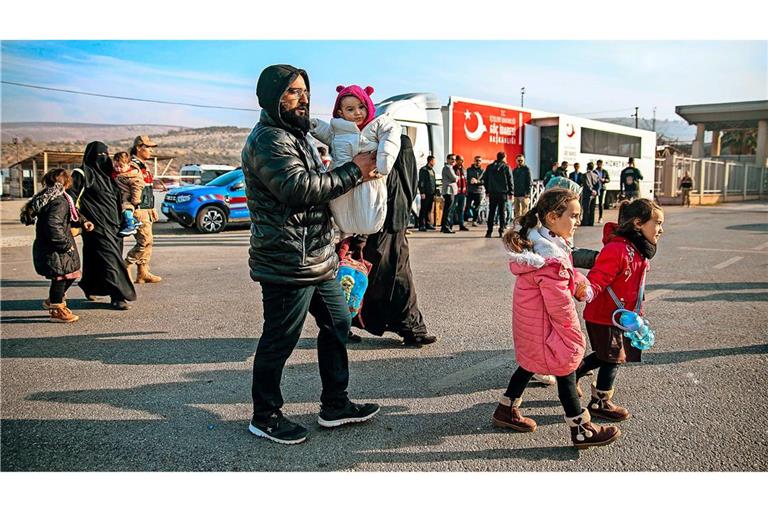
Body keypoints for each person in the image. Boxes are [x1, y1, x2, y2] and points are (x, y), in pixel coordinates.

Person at [242, 64, 380, 445]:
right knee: (279, 340)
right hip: (287, 260)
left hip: (318, 256)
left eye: (304, 91)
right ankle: (265, 415)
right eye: (291, 92)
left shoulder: (296, 134)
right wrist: (355, 171)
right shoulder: (269, 139)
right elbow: (299, 189)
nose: (302, 99)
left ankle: (335, 404)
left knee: (338, 325)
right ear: (272, 98)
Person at [492, 188, 620, 449]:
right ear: (552, 217)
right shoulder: (550, 259)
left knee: (529, 364)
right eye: (573, 216)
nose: (577, 222)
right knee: (566, 370)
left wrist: (579, 283)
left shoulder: (543, 246)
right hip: (547, 327)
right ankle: (581, 429)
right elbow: (560, 308)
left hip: (533, 324)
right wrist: (574, 338)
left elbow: (567, 275)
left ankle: (506, 409)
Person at [575, 199, 664, 421]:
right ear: (637, 223)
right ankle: (600, 402)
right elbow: (598, 278)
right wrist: (589, 291)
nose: (661, 229)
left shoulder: (638, 249)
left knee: (607, 355)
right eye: (657, 223)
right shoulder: (618, 249)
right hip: (604, 315)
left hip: (620, 316)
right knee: (612, 358)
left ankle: (572, 374)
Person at [350, 135, 438, 347]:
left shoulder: (398, 175)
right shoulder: (379, 173)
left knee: (401, 283)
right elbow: (369, 203)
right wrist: (360, 236)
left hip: (396, 234)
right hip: (375, 236)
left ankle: (413, 329)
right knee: (364, 284)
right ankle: (340, 324)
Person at [310, 84, 401, 238]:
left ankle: (358, 240)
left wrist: (384, 159)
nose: (357, 113)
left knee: (370, 206)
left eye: (361, 107)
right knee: (342, 210)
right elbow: (325, 132)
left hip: (370, 181)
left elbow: (391, 135)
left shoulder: (377, 125)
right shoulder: (336, 130)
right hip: (342, 181)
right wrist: (313, 125)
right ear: (340, 112)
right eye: (350, 109)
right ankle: (347, 239)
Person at [20, 168, 95, 322]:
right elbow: (53, 225)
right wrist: (65, 245)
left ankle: (54, 299)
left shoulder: (53, 197)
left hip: (50, 246)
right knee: (61, 277)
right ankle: (56, 308)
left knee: (69, 274)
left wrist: (83, 221)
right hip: (56, 248)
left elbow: (71, 213)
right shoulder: (59, 201)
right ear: (66, 183)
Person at [69, 142, 137, 310]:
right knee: (111, 260)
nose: (103, 159)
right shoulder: (82, 174)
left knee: (95, 260)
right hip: (95, 226)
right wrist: (82, 219)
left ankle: (90, 286)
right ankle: (118, 295)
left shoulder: (111, 175)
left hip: (115, 226)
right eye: (100, 155)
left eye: (106, 155)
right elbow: (70, 198)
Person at [125, 135, 162, 284]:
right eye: (148, 148)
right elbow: (133, 189)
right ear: (139, 148)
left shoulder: (142, 165)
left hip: (146, 208)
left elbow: (147, 187)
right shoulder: (132, 165)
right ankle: (126, 264)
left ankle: (143, 272)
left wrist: (151, 207)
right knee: (144, 240)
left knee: (149, 241)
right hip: (138, 208)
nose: (151, 152)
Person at [111, 151, 144, 237]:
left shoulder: (132, 175)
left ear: (128, 164)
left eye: (121, 166)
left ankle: (130, 226)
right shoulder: (117, 173)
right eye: (116, 166)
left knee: (126, 209)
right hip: (121, 195)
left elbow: (137, 187)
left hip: (128, 197)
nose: (118, 169)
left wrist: (135, 200)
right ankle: (135, 221)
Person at [482, 151, 513, 238]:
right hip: (503, 193)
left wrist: (487, 191)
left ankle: (489, 231)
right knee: (502, 212)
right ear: (504, 157)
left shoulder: (490, 167)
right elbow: (510, 180)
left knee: (491, 212)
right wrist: (511, 192)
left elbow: (485, 179)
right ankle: (501, 231)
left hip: (492, 193)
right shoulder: (506, 167)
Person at [418, 156, 437, 231]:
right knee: (423, 209)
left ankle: (427, 223)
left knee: (429, 209)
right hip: (425, 193)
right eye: (434, 161)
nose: (435, 163)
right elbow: (421, 182)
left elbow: (433, 182)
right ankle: (421, 225)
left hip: (431, 193)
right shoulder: (423, 170)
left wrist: (435, 192)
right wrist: (422, 192)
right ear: (430, 161)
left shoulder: (432, 170)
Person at [440, 154, 458, 234]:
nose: (453, 161)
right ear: (447, 159)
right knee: (448, 210)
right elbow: (454, 178)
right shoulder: (447, 168)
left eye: (454, 159)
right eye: (451, 159)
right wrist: (457, 177)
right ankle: (446, 227)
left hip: (450, 191)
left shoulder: (450, 168)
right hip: (449, 191)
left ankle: (444, 226)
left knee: (448, 209)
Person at [465, 156, 485, 226]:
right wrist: (470, 181)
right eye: (476, 160)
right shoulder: (469, 169)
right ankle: (466, 219)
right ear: (474, 161)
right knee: (468, 206)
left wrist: (477, 181)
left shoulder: (483, 171)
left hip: (478, 191)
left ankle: (474, 220)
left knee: (476, 207)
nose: (478, 162)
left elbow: (484, 181)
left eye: (479, 161)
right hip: (470, 190)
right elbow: (466, 179)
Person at [511, 154, 532, 219]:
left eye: (521, 160)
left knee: (525, 212)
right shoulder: (514, 170)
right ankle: (518, 226)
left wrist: (528, 193)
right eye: (518, 160)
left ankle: (524, 226)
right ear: (516, 161)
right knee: (517, 212)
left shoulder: (527, 169)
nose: (520, 162)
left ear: (524, 161)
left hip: (524, 194)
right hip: (516, 194)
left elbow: (529, 182)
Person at [452, 155, 469, 231]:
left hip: (463, 192)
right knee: (452, 208)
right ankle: (450, 224)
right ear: (457, 160)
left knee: (461, 209)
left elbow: (465, 180)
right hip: (456, 192)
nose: (462, 162)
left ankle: (461, 225)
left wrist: (466, 191)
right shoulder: (453, 168)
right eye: (461, 160)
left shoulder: (463, 169)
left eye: (463, 160)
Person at [580, 162, 599, 227]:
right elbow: (598, 184)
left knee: (586, 208)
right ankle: (591, 222)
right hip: (594, 194)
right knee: (592, 208)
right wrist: (595, 191)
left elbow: (586, 184)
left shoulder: (585, 175)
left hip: (587, 193)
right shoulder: (595, 175)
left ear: (587, 167)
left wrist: (591, 190)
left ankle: (585, 222)